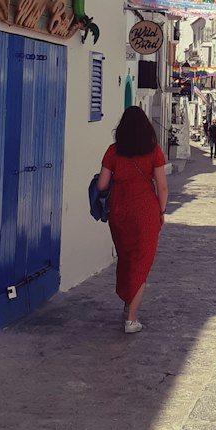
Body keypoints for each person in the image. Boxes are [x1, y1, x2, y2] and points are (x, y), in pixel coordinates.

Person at [96, 106, 167, 334]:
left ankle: (128, 305)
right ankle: (132, 319)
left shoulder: (113, 151)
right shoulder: (154, 151)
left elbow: (102, 185)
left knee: (127, 259)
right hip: (146, 212)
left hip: (119, 212)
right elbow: (162, 186)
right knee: (141, 262)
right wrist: (161, 210)